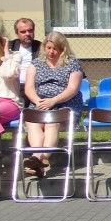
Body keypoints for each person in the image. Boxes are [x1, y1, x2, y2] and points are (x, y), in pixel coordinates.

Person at [22, 31, 84, 176]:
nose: (51, 52)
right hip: (40, 104)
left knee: (51, 123)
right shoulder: (36, 64)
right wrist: (37, 101)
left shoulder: (73, 64)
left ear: (63, 48)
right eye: (48, 48)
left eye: (55, 49)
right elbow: (29, 87)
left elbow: (72, 89)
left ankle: (37, 157)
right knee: (33, 122)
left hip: (64, 105)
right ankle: (38, 162)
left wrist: (53, 101)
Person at [9, 18, 41, 96]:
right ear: (17, 34)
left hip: (34, 87)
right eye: (23, 32)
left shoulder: (41, 47)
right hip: (13, 87)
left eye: (30, 30)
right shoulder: (10, 47)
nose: (27, 34)